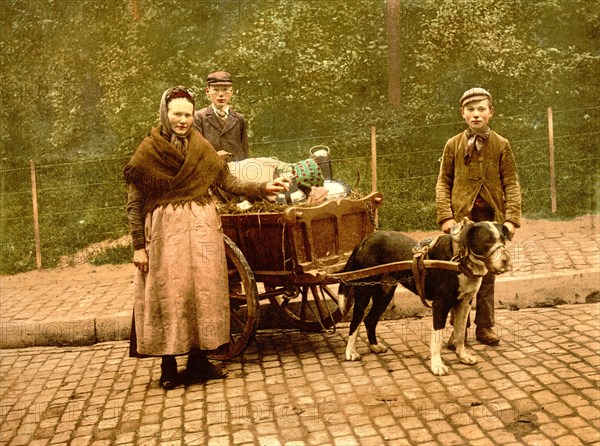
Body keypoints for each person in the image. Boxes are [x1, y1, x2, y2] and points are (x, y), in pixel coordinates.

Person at [124, 86, 288, 390]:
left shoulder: (201, 147)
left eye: (187, 114)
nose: (183, 120)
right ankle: (169, 365)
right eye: (177, 114)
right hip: (164, 234)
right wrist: (138, 247)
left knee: (203, 292)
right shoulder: (148, 151)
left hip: (202, 230)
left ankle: (199, 360)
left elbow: (228, 181)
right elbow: (134, 204)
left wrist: (262, 188)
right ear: (165, 114)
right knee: (170, 295)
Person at [435, 87, 521, 347]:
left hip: (491, 220)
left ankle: (485, 326)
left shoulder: (501, 144)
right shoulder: (453, 145)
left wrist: (511, 220)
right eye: (470, 110)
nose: (476, 115)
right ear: (462, 114)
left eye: (481, 109)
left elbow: (512, 184)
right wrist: (446, 218)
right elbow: (443, 183)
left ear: (490, 113)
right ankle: (458, 330)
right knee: (457, 273)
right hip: (462, 222)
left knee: (488, 274)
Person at [194, 71, 248, 162]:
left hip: (236, 171)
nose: (221, 94)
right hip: (210, 171)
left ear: (231, 92)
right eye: (216, 90)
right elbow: (196, 151)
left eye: (225, 89)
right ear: (207, 92)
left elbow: (245, 152)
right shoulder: (199, 117)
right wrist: (214, 156)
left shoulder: (239, 119)